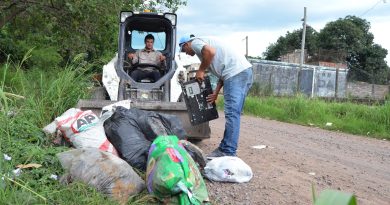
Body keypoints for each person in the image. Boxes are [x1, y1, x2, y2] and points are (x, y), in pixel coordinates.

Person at [179, 35, 253, 158]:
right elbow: (222, 74)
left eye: (183, 50)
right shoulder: (203, 47)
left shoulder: (196, 42)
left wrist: (201, 70)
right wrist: (216, 93)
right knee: (234, 113)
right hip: (242, 72)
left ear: (186, 44)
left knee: (232, 114)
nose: (185, 53)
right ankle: (225, 148)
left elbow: (210, 52)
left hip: (235, 74)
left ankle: (228, 151)